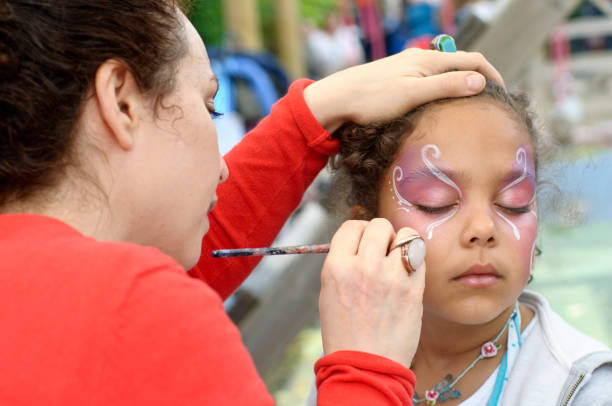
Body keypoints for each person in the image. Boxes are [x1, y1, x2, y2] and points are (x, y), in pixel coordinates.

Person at [0, 0, 504, 404]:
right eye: (210, 106)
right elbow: (133, 307)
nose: (223, 166)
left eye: (514, 200)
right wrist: (366, 369)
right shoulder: (135, 313)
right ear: (121, 100)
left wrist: (312, 118)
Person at [316, 80, 612, 405]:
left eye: (514, 201)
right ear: (368, 229)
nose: (484, 228)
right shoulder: (347, 359)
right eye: (436, 202)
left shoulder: (585, 390)